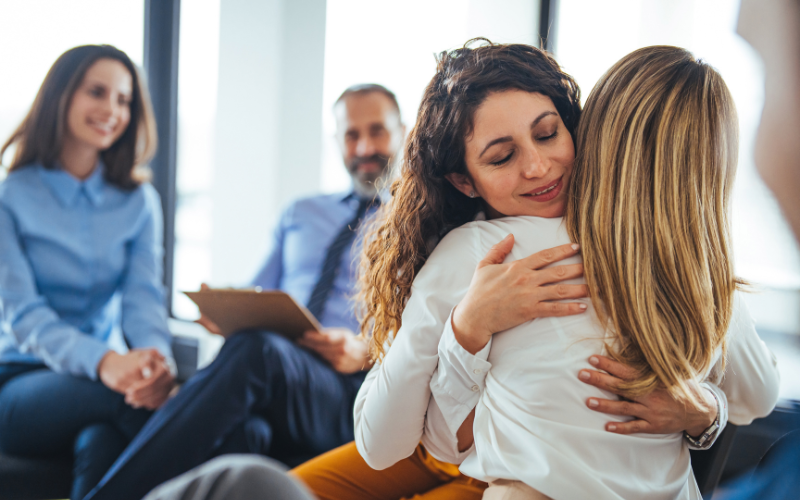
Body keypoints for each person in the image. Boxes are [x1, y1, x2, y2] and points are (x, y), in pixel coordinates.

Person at [290, 42, 775, 500]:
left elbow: (412, 443)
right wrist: (470, 324)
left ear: (577, 129)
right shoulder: (690, 260)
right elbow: (759, 395)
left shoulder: (482, 249)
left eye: (547, 134)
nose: (539, 167)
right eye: (502, 157)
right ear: (464, 181)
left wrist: (700, 410)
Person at [84, 84, 409, 500]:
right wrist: (226, 307)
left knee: (257, 351)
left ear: (403, 131)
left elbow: (429, 334)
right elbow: (262, 292)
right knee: (246, 431)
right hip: (280, 372)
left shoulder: (418, 221)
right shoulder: (302, 212)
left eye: (377, 131)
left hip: (353, 388)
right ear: (337, 141)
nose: (364, 146)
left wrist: (365, 349)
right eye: (351, 135)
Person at [0, 45, 174, 500]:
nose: (111, 110)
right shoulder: (10, 197)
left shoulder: (138, 202)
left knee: (102, 438)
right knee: (125, 401)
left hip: (105, 379)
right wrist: (105, 362)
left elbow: (143, 301)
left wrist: (157, 362)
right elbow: (23, 316)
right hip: (18, 381)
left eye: (123, 100)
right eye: (97, 92)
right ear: (60, 96)